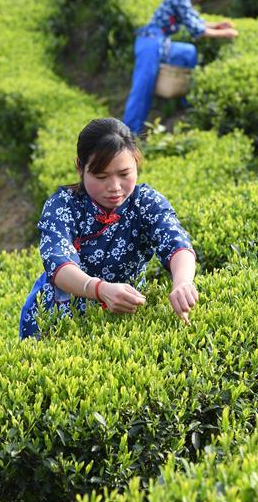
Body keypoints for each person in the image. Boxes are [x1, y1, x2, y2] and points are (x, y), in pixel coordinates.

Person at [19, 117, 199, 339]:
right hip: (60, 314)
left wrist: (182, 283)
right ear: (80, 167)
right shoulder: (63, 205)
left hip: (124, 310)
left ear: (136, 162)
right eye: (101, 176)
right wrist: (99, 289)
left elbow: (176, 242)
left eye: (124, 174)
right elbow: (58, 263)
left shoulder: (146, 202)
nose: (114, 188)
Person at [122, 0, 238, 136]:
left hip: (160, 43)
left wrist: (218, 25)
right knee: (142, 89)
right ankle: (128, 134)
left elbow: (197, 21)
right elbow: (198, 31)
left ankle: (185, 100)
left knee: (189, 52)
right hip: (150, 43)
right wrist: (224, 33)